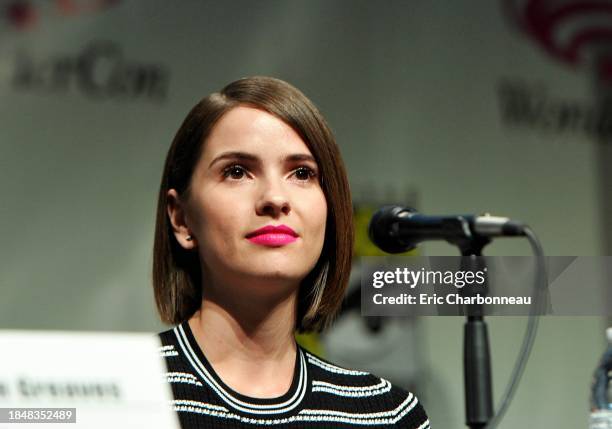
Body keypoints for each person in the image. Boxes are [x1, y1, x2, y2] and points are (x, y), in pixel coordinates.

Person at [153, 76, 430, 428]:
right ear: (181, 218)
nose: (275, 198)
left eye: (301, 173)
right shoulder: (118, 390)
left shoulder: (385, 415)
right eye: (237, 172)